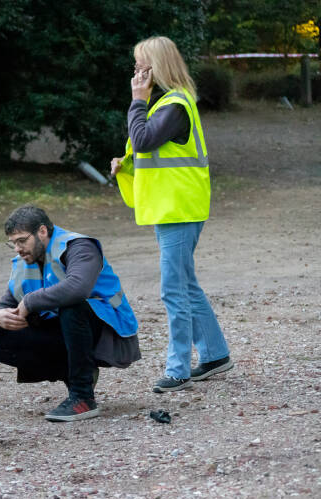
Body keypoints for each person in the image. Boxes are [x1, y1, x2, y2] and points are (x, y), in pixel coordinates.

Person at [110, 36, 232, 393]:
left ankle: (178, 368)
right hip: (174, 208)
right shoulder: (167, 104)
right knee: (186, 284)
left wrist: (136, 101)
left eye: (141, 65)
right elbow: (150, 149)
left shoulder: (173, 105)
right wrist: (127, 163)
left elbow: (146, 138)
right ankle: (215, 355)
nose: (136, 72)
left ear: (157, 66)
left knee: (173, 289)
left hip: (178, 210)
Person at [0, 205, 141, 421]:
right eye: (13, 243)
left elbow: (78, 288)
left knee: (72, 306)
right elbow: (4, 304)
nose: (17, 249)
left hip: (109, 332)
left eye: (22, 241)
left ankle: (83, 397)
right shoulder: (24, 262)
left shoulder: (79, 246)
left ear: (42, 231)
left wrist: (30, 301)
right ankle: (76, 373)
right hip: (68, 332)